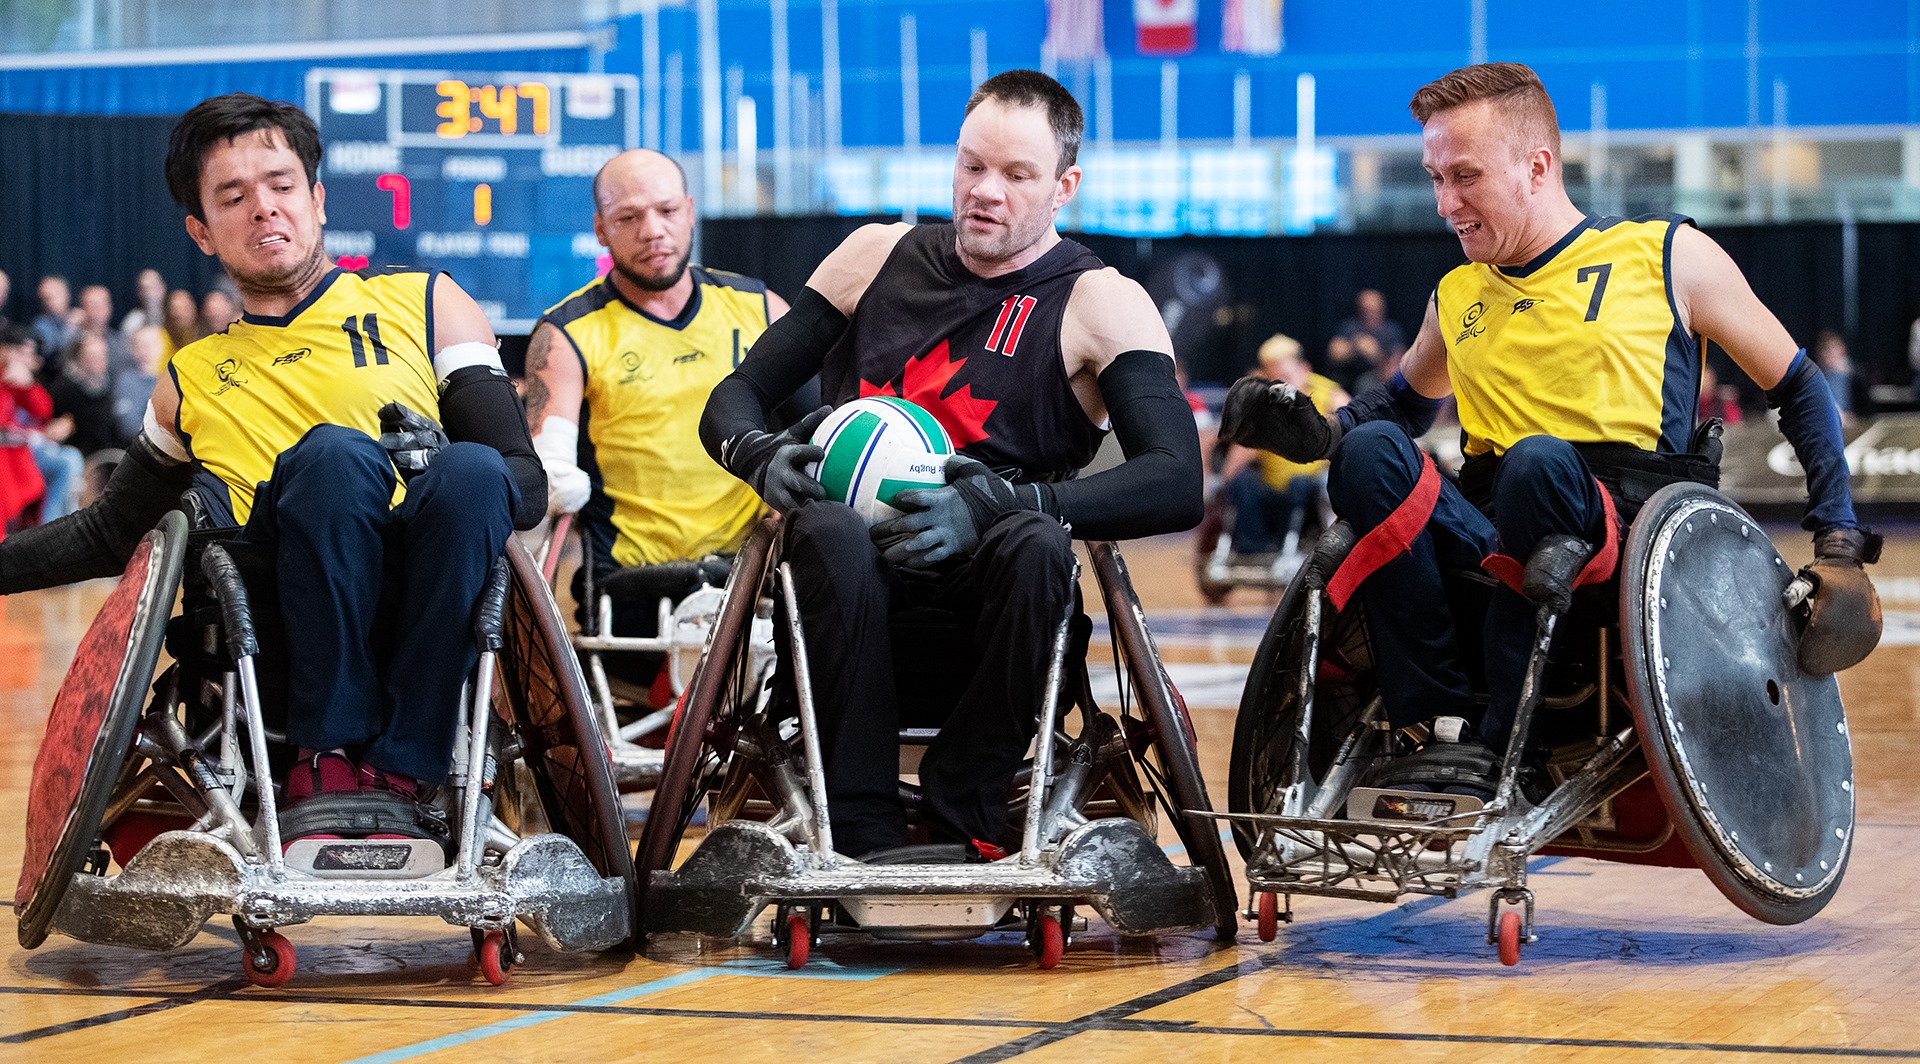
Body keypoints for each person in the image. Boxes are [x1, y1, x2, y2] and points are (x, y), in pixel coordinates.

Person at [1221, 62, 1879, 796]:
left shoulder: (1665, 256)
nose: (1445, 203)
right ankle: (1435, 725)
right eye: (1435, 178)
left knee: (1536, 464)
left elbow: (1798, 385)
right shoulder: (1457, 293)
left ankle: (1513, 739)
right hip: (1494, 526)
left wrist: (1840, 542)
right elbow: (1401, 407)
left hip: (1623, 536)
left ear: (1536, 166)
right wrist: (1321, 431)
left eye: (1464, 177)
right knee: (1374, 453)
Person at [0, 93, 545, 848]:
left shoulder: (427, 303)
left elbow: (523, 481)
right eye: (233, 196)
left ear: (317, 199)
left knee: (475, 471)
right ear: (201, 230)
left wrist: (437, 459)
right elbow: (109, 533)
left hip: (428, 591)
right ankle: (327, 755)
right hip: (275, 629)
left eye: (281, 186)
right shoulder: (190, 374)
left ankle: (405, 767)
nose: (264, 208)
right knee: (334, 455)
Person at [700, 69, 1202, 859]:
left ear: (1065, 185)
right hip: (840, 598)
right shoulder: (874, 254)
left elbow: (1178, 478)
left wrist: (1005, 504)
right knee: (826, 528)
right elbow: (734, 395)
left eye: (1017, 174)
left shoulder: (1102, 302)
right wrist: (757, 452)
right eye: (973, 165)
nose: (986, 191)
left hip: (995, 607)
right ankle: (861, 828)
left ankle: (962, 812)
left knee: (1038, 543)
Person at [526, 149, 793, 653]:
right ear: (601, 229)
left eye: (667, 211)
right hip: (630, 590)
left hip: (756, 578)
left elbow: (822, 431)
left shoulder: (759, 308)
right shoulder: (565, 334)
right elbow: (547, 473)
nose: (652, 230)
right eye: (628, 217)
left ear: (690, 211)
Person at [1220, 333, 1346, 557]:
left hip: (1311, 491)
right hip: (1272, 490)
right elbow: (1242, 450)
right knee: (1241, 484)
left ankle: (1287, 547)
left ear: (1304, 369)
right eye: (1273, 378)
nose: (1280, 385)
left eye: (1285, 376)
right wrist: (1224, 484)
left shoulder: (1332, 396)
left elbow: (1350, 436)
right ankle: (1253, 551)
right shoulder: (1264, 401)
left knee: (1301, 485)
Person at [47, 332, 122, 456]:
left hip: (110, 455)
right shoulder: (65, 390)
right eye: (93, 356)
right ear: (80, 359)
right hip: (77, 452)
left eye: (103, 355)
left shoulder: (115, 387)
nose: (100, 361)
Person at [1326, 288, 1407, 394]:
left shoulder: (1391, 330)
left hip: (1377, 380)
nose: (1370, 314)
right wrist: (1355, 347)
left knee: (1366, 383)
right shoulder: (1349, 327)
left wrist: (1376, 355)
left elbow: (1399, 364)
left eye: (1374, 310)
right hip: (1348, 378)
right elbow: (1333, 354)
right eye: (1366, 309)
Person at [77, 283, 136, 377]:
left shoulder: (122, 342)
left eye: (100, 306)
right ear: (82, 309)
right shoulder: (72, 342)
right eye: (91, 305)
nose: (96, 311)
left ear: (109, 308)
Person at [30, 275, 77, 377]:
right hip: (55, 379)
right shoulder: (41, 325)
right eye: (44, 298)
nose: (48, 302)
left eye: (52, 296)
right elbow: (54, 357)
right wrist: (70, 329)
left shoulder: (79, 317)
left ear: (66, 295)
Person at [119, 268, 168, 334]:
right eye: (143, 289)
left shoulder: (175, 316)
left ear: (162, 288)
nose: (148, 294)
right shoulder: (132, 322)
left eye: (152, 287)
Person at [160, 287, 200, 358]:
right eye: (175, 309)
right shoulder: (161, 340)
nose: (180, 314)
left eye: (185, 308)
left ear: (194, 309)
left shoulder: (206, 337)